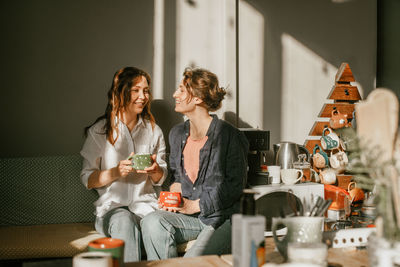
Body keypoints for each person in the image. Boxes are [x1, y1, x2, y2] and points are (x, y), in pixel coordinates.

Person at [141, 67, 249, 259]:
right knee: (151, 221)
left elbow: (234, 187)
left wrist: (194, 205)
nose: (175, 94)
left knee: (191, 262)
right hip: (190, 219)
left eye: (181, 90)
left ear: (198, 98)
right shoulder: (177, 134)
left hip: (222, 218)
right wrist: (172, 196)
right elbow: (176, 177)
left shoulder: (230, 136)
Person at [80, 67, 167, 262]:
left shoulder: (154, 131)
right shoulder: (100, 132)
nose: (143, 96)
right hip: (112, 211)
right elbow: (87, 178)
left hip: (146, 208)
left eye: (146, 91)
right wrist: (115, 172)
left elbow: (161, 178)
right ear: (121, 92)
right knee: (123, 220)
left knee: (157, 223)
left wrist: (155, 171)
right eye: (136, 90)